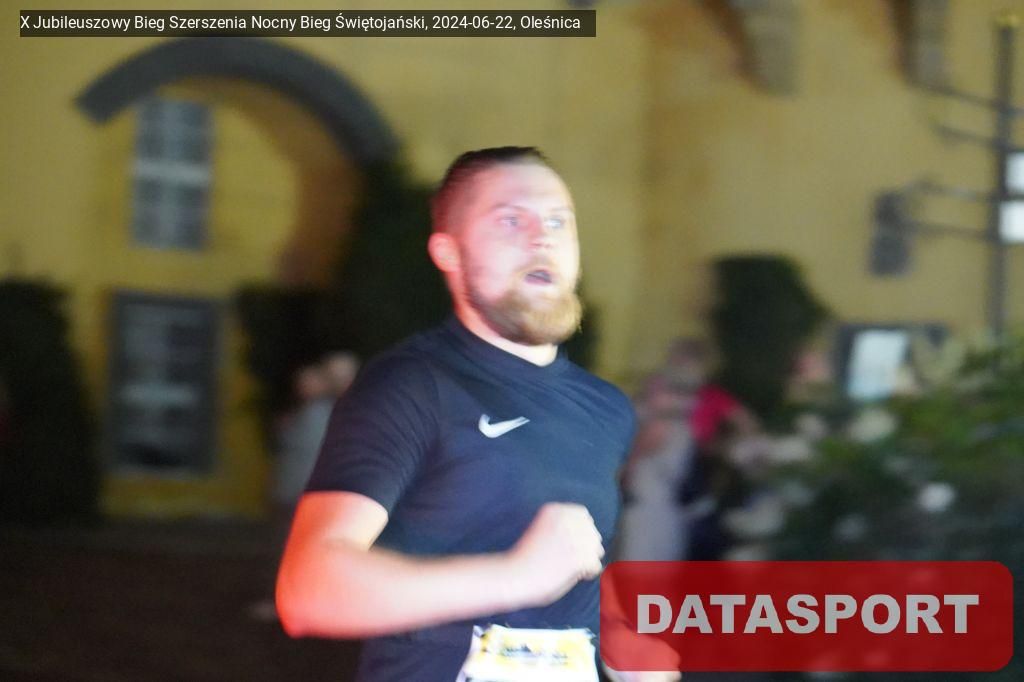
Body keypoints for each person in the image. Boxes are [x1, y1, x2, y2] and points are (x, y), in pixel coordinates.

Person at [276, 147, 677, 681]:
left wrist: (619, 637)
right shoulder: (412, 387)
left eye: (558, 221)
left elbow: (568, 567)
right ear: (449, 252)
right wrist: (515, 576)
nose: (542, 238)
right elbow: (308, 590)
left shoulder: (605, 408)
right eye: (511, 220)